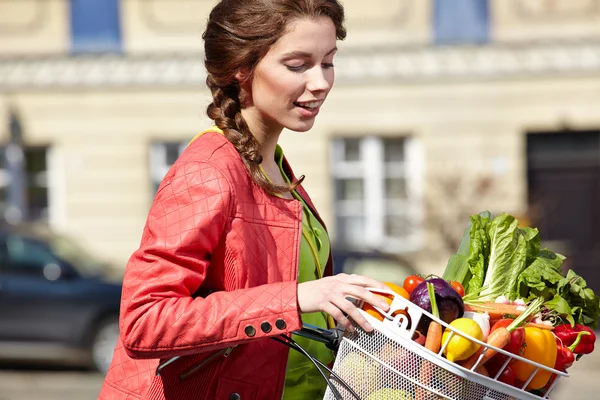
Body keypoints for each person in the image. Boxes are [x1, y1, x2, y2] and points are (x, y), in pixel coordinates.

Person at [99, 0, 391, 399]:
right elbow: (145, 321)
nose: (321, 81)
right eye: (298, 65)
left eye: (328, 62)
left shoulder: (277, 167)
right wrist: (295, 298)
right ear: (241, 68)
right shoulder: (209, 171)